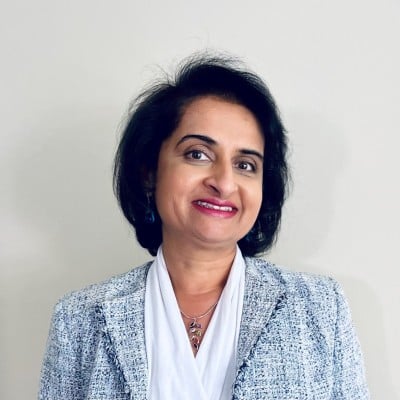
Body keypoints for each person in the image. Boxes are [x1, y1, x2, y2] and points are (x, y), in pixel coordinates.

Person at [38, 54, 369, 399]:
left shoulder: (320, 307)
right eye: (198, 154)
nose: (224, 183)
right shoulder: (79, 319)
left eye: (245, 164)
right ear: (149, 172)